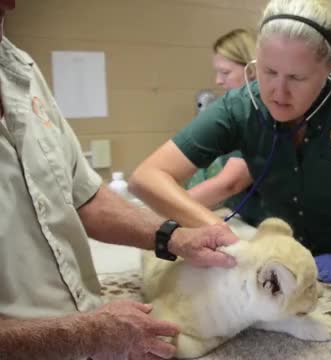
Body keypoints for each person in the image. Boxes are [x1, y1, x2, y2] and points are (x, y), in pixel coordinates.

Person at [129, 0, 331, 289]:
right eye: (269, 72)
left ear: (327, 70)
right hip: (284, 264)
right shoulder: (241, 107)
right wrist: (217, 229)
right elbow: (147, 178)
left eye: (297, 77)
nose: (278, 92)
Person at [0, 1, 238, 358]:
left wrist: (174, 236)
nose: (11, 4)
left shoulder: (21, 73)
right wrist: (84, 333)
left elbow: (84, 197)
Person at [185, 28, 266, 226]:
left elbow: (230, 183)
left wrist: (164, 207)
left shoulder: (263, 112)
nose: (218, 81)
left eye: (225, 72)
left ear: (251, 70)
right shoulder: (238, 111)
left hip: (264, 226)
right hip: (239, 215)